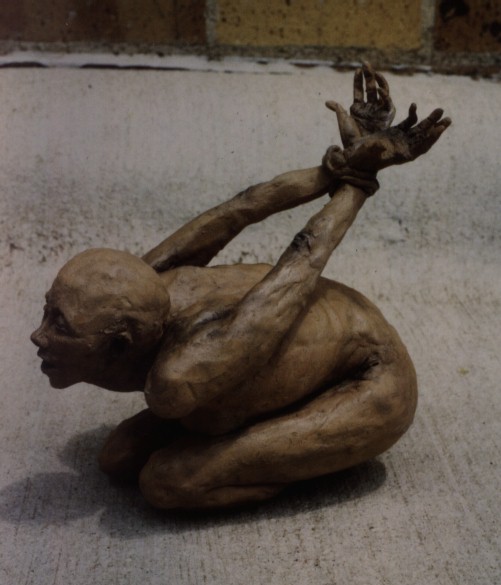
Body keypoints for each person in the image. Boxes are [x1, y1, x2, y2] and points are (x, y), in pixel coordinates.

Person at [31, 64, 450, 509]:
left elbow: (303, 260)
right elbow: (241, 208)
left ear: (120, 343)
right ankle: (242, 421)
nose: (39, 336)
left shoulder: (175, 377)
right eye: (48, 312)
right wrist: (338, 167)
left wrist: (357, 185)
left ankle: (266, 455)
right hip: (247, 359)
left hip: (372, 382)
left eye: (61, 326)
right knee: (116, 459)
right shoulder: (139, 281)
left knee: (167, 482)